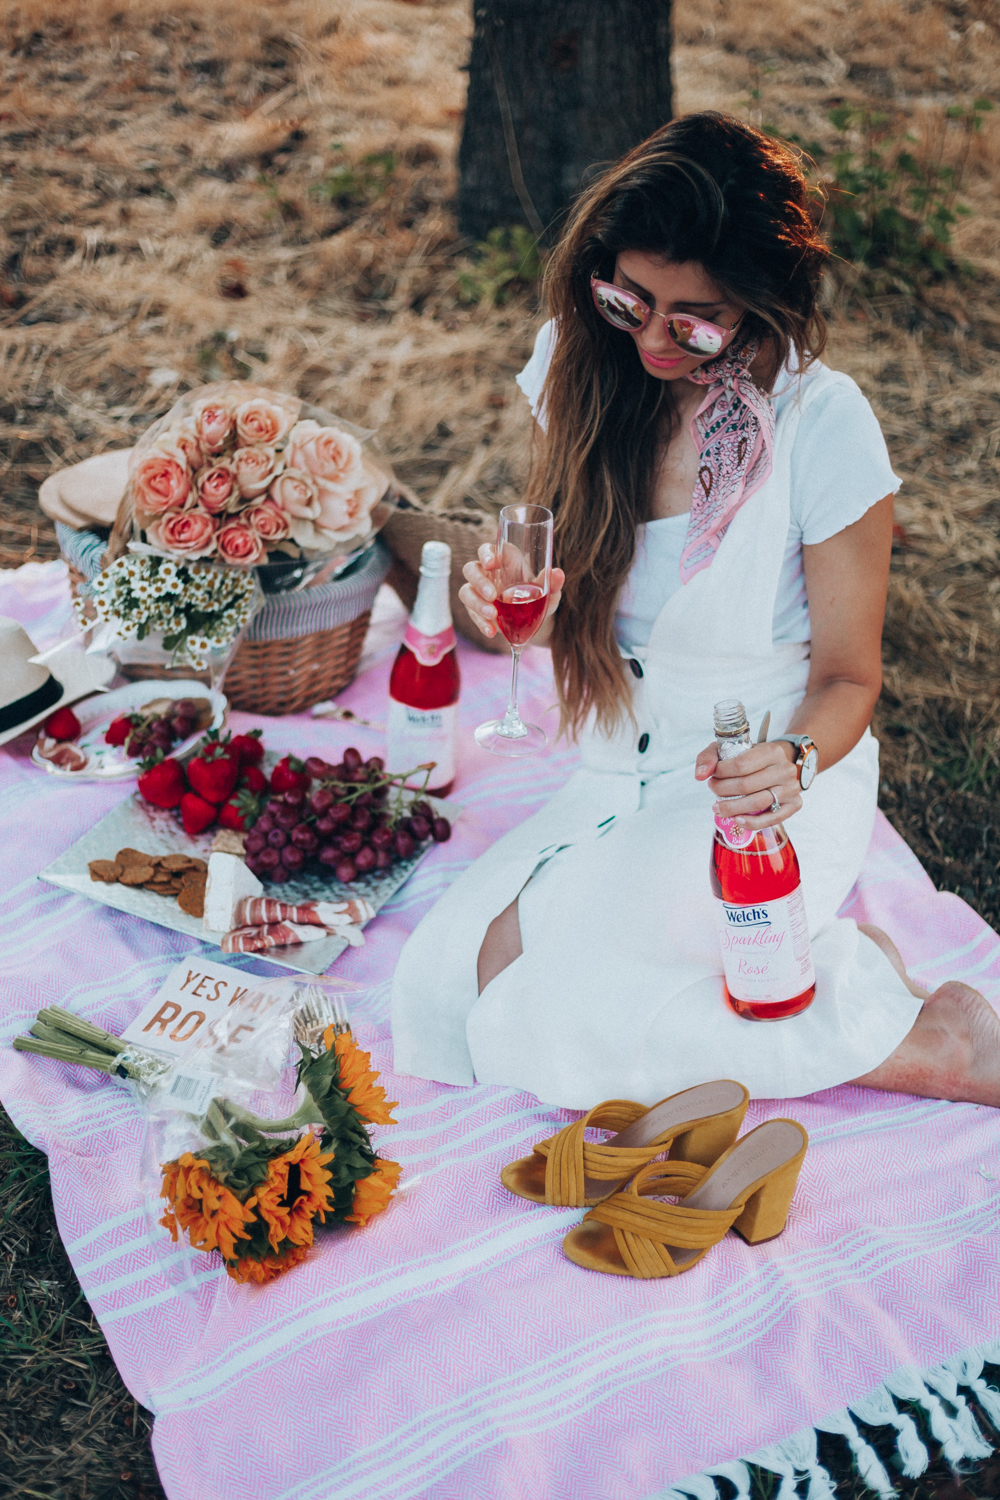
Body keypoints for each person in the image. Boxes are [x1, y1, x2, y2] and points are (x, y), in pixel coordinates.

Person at [390, 112, 1000, 1111]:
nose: (655, 338)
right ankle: (840, 987)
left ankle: (921, 1035)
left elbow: (849, 679)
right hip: (612, 762)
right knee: (452, 990)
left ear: (764, 304)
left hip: (759, 781)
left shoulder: (822, 424)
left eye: (696, 318)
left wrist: (792, 762)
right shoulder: (583, 359)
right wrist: (533, 612)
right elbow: (575, 574)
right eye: (630, 298)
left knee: (545, 1016)